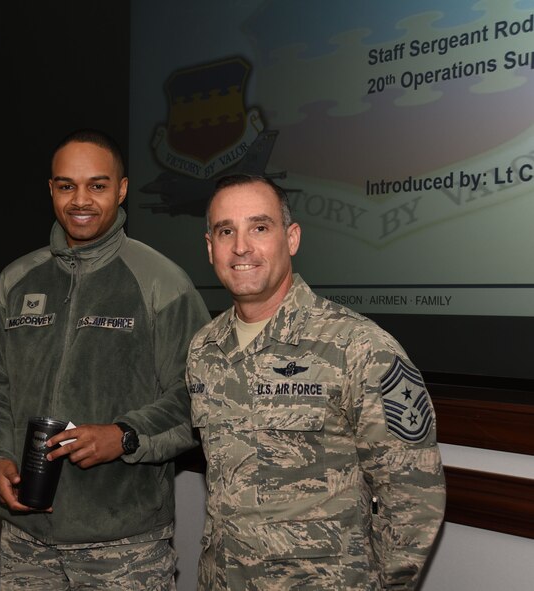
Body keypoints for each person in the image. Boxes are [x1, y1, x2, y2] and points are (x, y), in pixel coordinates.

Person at [0, 128, 210, 589]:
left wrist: (126, 435)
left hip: (123, 545)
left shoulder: (162, 283)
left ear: (122, 189)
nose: (81, 200)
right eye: (66, 185)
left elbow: (198, 398)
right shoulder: (16, 281)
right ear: (51, 190)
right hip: (25, 541)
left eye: (97, 185)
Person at [186, 174, 446, 590]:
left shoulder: (359, 347)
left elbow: (414, 496)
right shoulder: (204, 349)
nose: (240, 247)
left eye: (259, 227)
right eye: (225, 231)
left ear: (291, 238)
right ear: (210, 247)